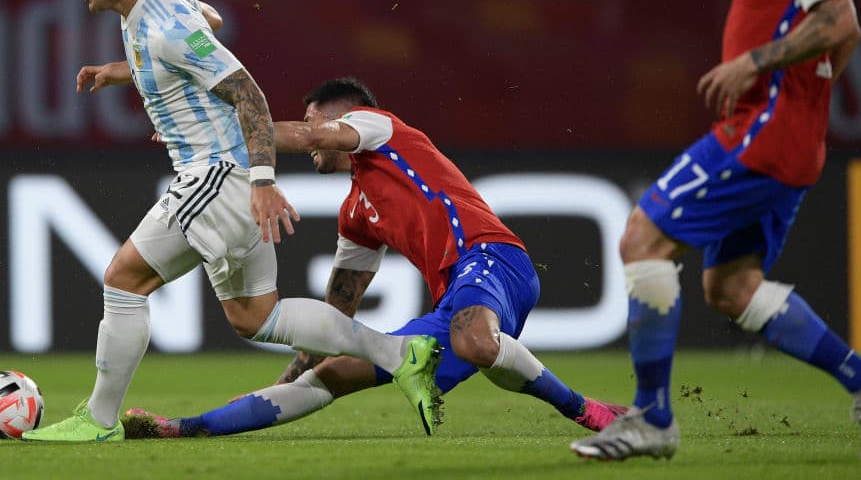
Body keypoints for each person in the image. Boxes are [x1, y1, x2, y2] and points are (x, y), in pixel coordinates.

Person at [22, 0, 441, 442]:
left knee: (124, 280)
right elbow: (210, 23)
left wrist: (263, 181)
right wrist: (119, 74)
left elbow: (248, 94)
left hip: (216, 177)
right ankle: (401, 353)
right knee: (256, 317)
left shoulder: (163, 22)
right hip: (228, 180)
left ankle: (98, 421)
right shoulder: (156, 11)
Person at [571, 0, 861, 462]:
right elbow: (844, 27)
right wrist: (805, 95)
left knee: (642, 237)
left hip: (761, 133)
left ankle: (653, 418)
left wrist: (756, 63)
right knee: (730, 286)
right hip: (789, 141)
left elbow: (838, 19)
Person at [122, 76, 627, 439]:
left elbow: (313, 137)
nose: (310, 134)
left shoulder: (380, 129)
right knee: (333, 376)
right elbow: (337, 312)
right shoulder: (355, 214)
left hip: (492, 259)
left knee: (474, 340)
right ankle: (184, 428)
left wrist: (218, 141)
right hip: (455, 302)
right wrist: (294, 374)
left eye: (313, 119)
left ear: (341, 118)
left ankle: (592, 413)